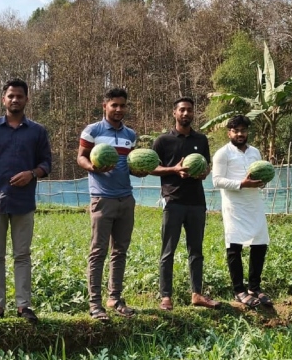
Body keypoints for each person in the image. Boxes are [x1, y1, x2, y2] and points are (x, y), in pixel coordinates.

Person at [0, 79, 52, 323]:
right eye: (11, 96)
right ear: (3, 99)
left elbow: (46, 163)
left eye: (19, 96)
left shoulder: (37, 131)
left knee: (22, 255)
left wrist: (32, 174)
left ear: (27, 99)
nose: (15, 100)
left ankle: (24, 306)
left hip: (23, 202)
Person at [151, 97, 219, 310]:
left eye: (189, 110)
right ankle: (165, 297)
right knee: (167, 251)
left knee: (196, 251)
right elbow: (152, 168)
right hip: (173, 201)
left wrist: (203, 173)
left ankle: (197, 294)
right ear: (175, 113)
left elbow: (206, 166)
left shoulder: (201, 139)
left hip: (197, 202)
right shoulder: (163, 141)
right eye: (182, 110)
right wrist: (173, 169)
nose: (186, 114)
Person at [77, 87, 138, 321]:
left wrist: (140, 170)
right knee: (98, 251)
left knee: (120, 251)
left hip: (126, 197)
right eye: (114, 105)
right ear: (105, 106)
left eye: (123, 105)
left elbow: (131, 164)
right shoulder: (92, 131)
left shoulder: (130, 135)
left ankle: (115, 298)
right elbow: (81, 157)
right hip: (102, 198)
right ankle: (95, 304)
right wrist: (93, 167)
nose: (119, 109)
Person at [211, 115, 272, 308]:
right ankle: (239, 290)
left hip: (254, 204)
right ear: (229, 133)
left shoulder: (255, 152)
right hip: (234, 206)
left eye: (243, 130)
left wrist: (261, 183)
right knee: (235, 247)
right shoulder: (223, 153)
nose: (240, 134)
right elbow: (217, 180)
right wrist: (241, 184)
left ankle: (254, 287)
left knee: (260, 244)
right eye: (236, 131)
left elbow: (260, 175)